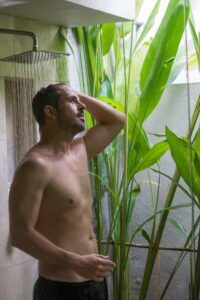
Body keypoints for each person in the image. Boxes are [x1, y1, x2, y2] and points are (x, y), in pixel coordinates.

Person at [8, 83, 126, 300]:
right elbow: (20, 234)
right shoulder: (35, 166)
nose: (82, 106)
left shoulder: (80, 151)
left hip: (95, 284)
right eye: (72, 101)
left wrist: (74, 92)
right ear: (50, 112)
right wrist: (77, 262)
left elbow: (118, 120)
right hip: (61, 289)